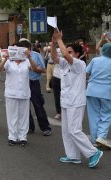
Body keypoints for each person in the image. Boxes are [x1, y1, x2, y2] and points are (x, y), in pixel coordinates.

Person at [51, 29, 103, 168]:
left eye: (70, 52)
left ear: (77, 54)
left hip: (76, 102)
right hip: (66, 101)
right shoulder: (64, 64)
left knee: (74, 130)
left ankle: (93, 152)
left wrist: (60, 39)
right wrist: (53, 42)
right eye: (66, 51)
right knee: (67, 130)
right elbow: (55, 57)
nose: (66, 54)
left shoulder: (80, 64)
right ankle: (73, 156)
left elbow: (66, 57)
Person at [0, 42, 38, 147]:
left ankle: (23, 137)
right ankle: (12, 137)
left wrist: (29, 56)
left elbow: (34, 68)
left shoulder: (27, 61)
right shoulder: (9, 62)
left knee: (23, 116)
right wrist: (5, 58)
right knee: (12, 116)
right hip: (11, 93)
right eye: (13, 49)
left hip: (24, 92)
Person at [18, 38, 52, 136]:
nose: (23, 51)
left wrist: (34, 68)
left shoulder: (36, 55)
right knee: (25, 107)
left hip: (33, 83)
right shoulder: (19, 57)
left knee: (38, 105)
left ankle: (45, 128)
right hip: (23, 83)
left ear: (30, 48)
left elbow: (43, 70)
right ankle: (29, 127)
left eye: (25, 48)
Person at [86, 42, 111, 148]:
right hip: (107, 91)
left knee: (93, 115)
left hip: (91, 90)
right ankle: (101, 137)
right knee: (106, 115)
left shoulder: (95, 60)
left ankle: (94, 140)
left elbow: (86, 73)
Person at [51, 48, 62, 120]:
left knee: (66, 95)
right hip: (56, 76)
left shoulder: (67, 51)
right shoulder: (56, 50)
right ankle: (59, 112)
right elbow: (53, 59)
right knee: (57, 96)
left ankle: (66, 111)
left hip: (65, 77)